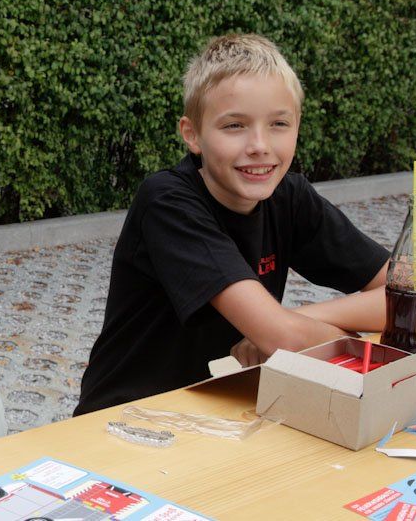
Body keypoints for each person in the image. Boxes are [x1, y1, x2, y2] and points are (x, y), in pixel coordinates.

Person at [75, 34, 390, 416]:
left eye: (278, 123)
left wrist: (302, 319)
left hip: (223, 412)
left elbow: (407, 298)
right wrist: (286, 331)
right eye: (235, 126)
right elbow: (285, 340)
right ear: (192, 134)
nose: (260, 145)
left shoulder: (290, 198)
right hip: (124, 419)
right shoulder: (167, 203)